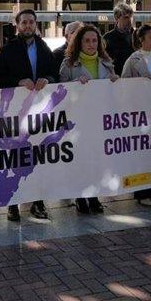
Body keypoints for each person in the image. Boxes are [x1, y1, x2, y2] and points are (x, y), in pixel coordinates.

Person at [0, 8, 57, 221]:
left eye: (31, 22)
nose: (28, 26)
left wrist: (47, 78)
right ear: (17, 25)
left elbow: (54, 73)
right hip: (14, 114)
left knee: (36, 158)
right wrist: (18, 82)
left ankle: (38, 202)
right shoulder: (8, 49)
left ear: (36, 24)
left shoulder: (43, 47)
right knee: (14, 158)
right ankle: (13, 205)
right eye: (24, 22)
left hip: (39, 115)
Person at [59, 25, 118, 214]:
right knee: (81, 160)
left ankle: (94, 195)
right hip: (77, 121)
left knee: (96, 159)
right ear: (79, 42)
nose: (91, 44)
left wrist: (116, 83)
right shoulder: (68, 65)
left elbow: (115, 95)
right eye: (87, 40)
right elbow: (59, 93)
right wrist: (74, 86)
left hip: (100, 119)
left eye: (95, 40)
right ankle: (81, 197)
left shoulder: (107, 63)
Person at [121, 24, 151, 206]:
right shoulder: (133, 59)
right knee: (141, 153)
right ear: (141, 40)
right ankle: (141, 193)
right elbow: (124, 84)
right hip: (139, 112)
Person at [103, 3, 135, 75]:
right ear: (117, 18)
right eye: (126, 17)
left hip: (136, 78)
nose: (130, 20)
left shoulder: (138, 35)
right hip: (117, 78)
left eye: (131, 17)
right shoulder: (108, 38)